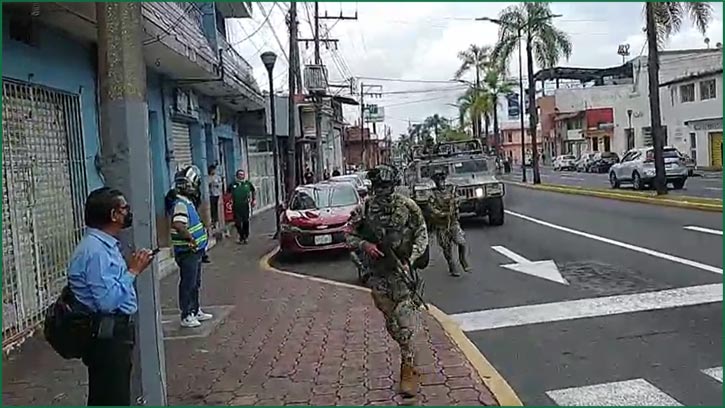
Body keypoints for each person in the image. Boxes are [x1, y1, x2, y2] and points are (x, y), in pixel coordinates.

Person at [346, 164, 428, 399]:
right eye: (379, 187)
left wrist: (411, 260)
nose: (383, 191)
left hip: (402, 273)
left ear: (393, 185)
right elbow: (349, 234)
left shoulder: (407, 206)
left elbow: (422, 233)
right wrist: (365, 245)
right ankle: (407, 352)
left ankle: (407, 369)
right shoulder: (364, 209)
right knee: (392, 323)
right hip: (378, 276)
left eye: (387, 186)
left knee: (405, 322)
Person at [67, 187, 154, 406]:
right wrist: (133, 270)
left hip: (113, 332)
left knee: (110, 395)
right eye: (124, 208)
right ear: (113, 215)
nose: (128, 212)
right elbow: (107, 301)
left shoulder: (104, 245)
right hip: (107, 335)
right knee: (112, 397)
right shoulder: (95, 252)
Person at [167, 166, 213, 328]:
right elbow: (178, 224)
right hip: (188, 252)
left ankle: (195, 309)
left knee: (195, 283)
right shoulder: (180, 204)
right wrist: (191, 239)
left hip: (195, 251)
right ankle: (187, 314)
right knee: (188, 283)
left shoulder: (187, 202)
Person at [427, 169, 470, 277]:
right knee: (446, 248)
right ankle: (452, 265)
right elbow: (431, 209)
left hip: (453, 222)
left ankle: (462, 259)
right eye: (439, 181)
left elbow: (458, 200)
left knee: (461, 242)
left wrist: (455, 202)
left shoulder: (451, 190)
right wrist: (441, 214)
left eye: (442, 180)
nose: (441, 183)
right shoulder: (432, 194)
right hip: (441, 225)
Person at [229, 169, 255, 244]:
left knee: (245, 221)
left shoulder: (247, 184)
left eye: (242, 174)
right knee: (237, 222)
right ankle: (241, 236)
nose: (241, 176)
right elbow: (228, 193)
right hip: (236, 206)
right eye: (240, 174)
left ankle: (245, 236)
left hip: (245, 205)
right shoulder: (233, 184)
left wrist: (253, 200)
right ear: (237, 175)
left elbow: (253, 190)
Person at [208, 165, 222, 230]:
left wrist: (217, 184)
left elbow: (220, 184)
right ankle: (213, 221)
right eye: (212, 170)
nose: (213, 171)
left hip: (217, 194)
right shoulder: (209, 177)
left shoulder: (217, 177)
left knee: (216, 208)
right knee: (212, 209)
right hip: (211, 195)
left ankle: (216, 221)